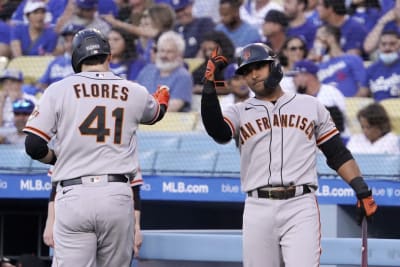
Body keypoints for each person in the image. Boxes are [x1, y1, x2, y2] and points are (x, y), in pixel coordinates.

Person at [200, 42, 377, 266]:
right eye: (246, 71)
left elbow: (336, 153)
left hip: (300, 204)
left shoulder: (311, 105)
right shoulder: (239, 111)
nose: (253, 75)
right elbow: (219, 132)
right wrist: (208, 89)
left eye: (258, 67)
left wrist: (360, 188)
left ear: (274, 65)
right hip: (258, 205)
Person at [23, 28, 170, 267]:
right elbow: (156, 115)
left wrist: (55, 159)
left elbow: (33, 144)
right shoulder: (134, 90)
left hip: (73, 194)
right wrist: (163, 99)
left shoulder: (58, 90)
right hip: (117, 194)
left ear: (76, 58)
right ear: (109, 57)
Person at [136, 30, 193, 112]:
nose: (164, 55)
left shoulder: (184, 76)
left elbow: (171, 108)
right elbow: (134, 95)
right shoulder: (148, 69)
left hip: (168, 122)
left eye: (169, 52)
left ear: (179, 54)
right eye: (162, 51)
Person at [292, 59, 348, 139]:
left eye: (295, 76)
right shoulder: (296, 98)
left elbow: (343, 118)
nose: (293, 80)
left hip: (337, 137)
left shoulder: (331, 92)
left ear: (307, 76)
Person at [314, 24, 368, 97]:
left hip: (350, 104)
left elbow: (363, 89)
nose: (316, 43)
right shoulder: (318, 67)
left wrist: (350, 104)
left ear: (331, 38)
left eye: (319, 38)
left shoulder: (353, 59)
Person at [36, 23, 85, 91]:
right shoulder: (55, 62)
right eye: (67, 41)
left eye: (74, 40)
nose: (70, 45)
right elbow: (41, 85)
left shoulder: (89, 63)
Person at [363, 30, 400, 101]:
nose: (387, 48)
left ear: (399, 45)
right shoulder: (371, 69)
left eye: (392, 44)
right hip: (378, 110)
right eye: (383, 44)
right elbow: (362, 94)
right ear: (379, 46)